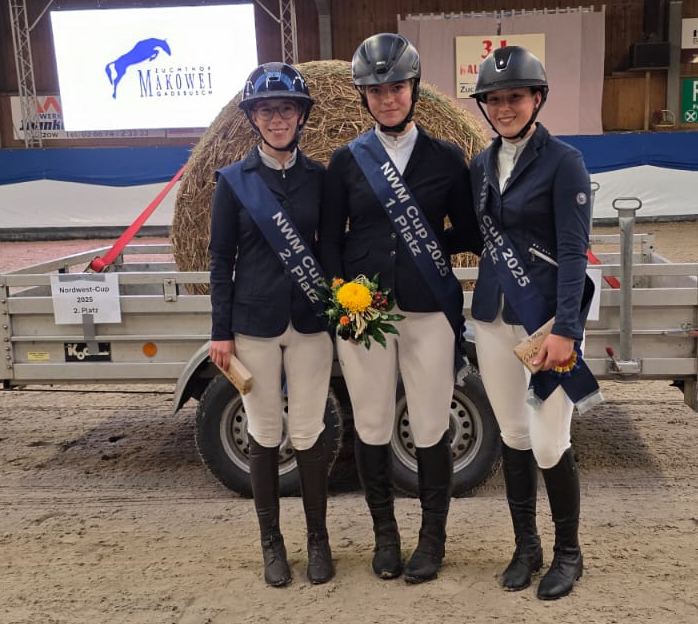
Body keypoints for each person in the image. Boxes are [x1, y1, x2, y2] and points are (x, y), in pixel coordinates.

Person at [318, 33, 481, 584]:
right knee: (370, 422)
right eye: (377, 90)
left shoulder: (445, 158)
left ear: (414, 89)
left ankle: (431, 538)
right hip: (364, 314)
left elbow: (467, 228)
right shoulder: (346, 161)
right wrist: (343, 292)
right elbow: (330, 237)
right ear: (364, 96)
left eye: (397, 87)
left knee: (431, 425)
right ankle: (385, 536)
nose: (388, 98)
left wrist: (429, 246)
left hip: (429, 309)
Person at [468, 46, 603, 600]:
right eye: (494, 99)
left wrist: (567, 330)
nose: (504, 107)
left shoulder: (564, 160)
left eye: (515, 97)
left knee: (550, 441)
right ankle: (527, 548)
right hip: (495, 320)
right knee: (513, 436)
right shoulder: (479, 164)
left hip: (549, 322)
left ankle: (569, 553)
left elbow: (574, 252)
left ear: (536, 99)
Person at [208, 62, 335, 587]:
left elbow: (330, 249)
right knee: (264, 434)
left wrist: (345, 305)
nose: (277, 118)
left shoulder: (321, 179)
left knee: (307, 432)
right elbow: (220, 260)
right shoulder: (234, 183)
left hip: (310, 324)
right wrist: (220, 331)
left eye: (286, 108)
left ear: (301, 115)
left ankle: (318, 540)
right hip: (254, 325)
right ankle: (271, 544)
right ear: (253, 118)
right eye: (266, 109)